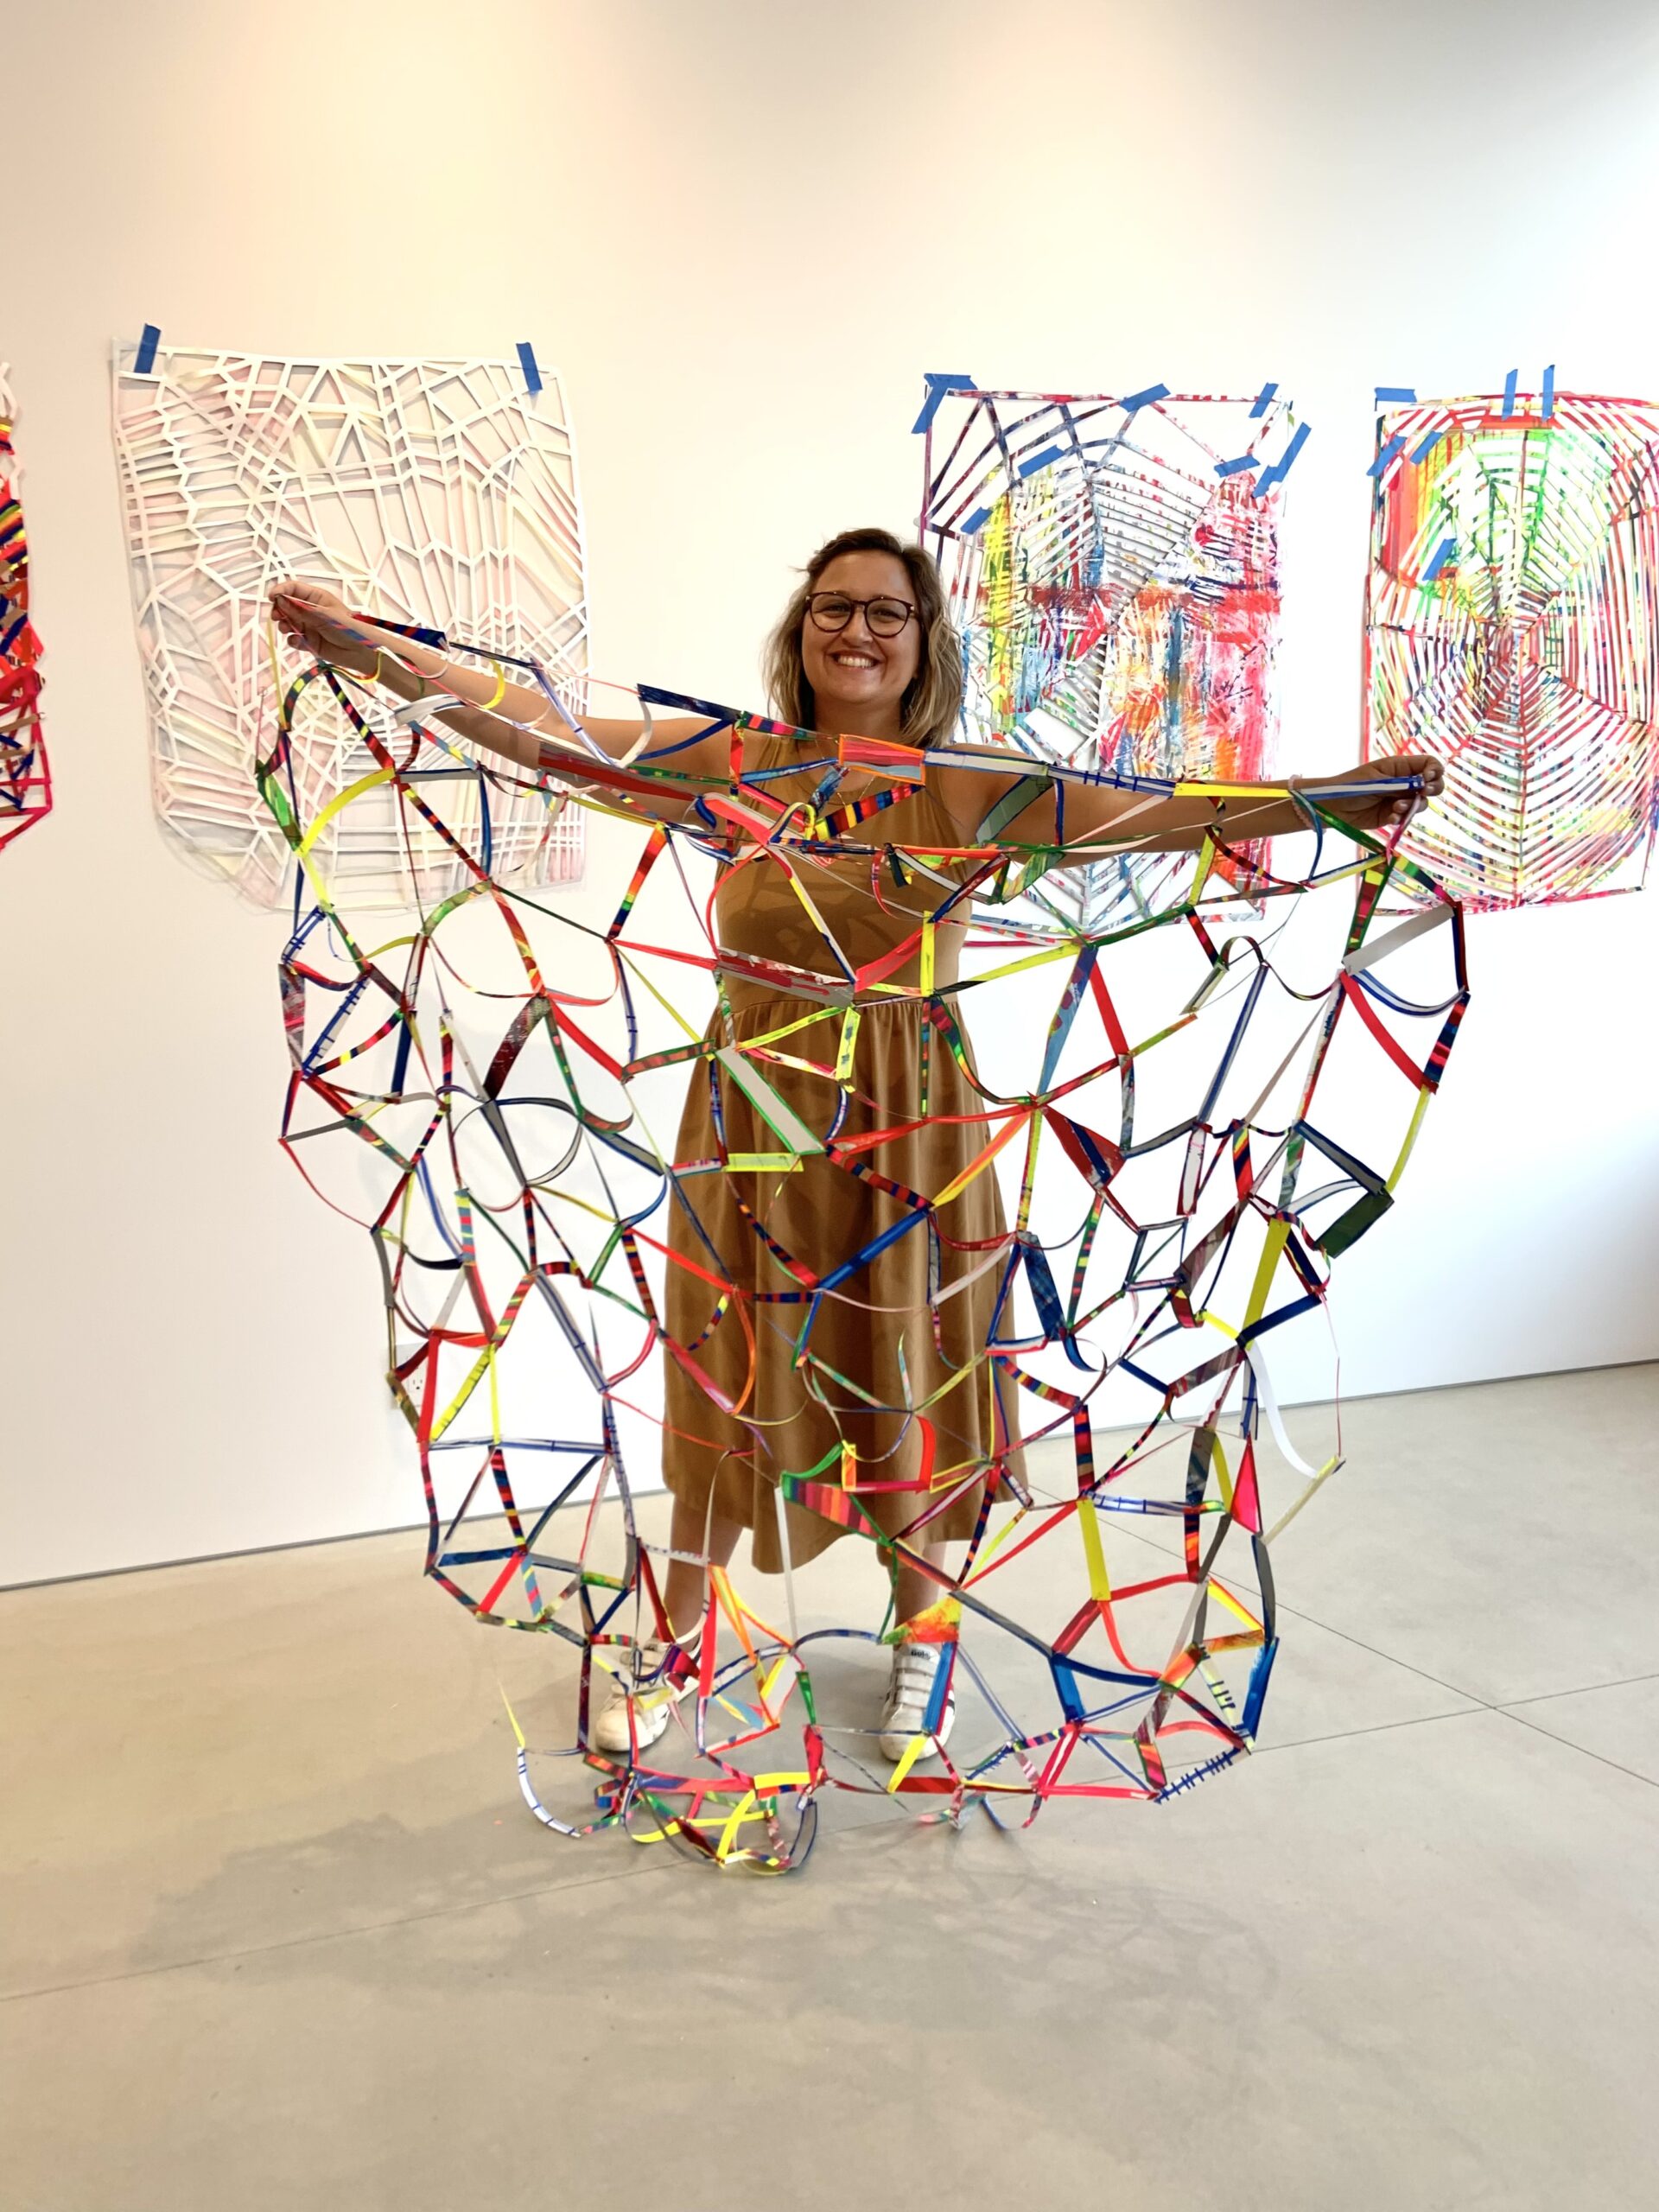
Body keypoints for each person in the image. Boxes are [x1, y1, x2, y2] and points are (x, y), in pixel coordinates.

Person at [270, 531, 1441, 1765]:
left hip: (911, 1130)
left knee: (909, 1365)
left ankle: (925, 1636)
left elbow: (1158, 814)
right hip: (752, 1124)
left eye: (889, 612)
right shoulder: (735, 763)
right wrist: (374, 650)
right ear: (802, 629)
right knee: (726, 1367)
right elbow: (544, 731)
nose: (859, 632)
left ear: (924, 640)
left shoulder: (970, 787)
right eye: (836, 607)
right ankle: (678, 1634)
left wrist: (1326, 797)